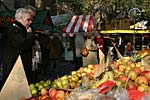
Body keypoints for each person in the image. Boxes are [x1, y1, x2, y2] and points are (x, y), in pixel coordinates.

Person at [2, 8, 36, 86]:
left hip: (19, 69)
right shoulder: (13, 29)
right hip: (14, 69)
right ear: (20, 19)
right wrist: (30, 34)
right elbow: (24, 44)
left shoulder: (21, 29)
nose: (30, 22)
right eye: (28, 20)